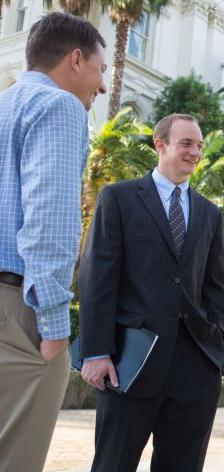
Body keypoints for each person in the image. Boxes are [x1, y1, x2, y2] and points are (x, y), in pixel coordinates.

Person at [78, 113, 224, 472]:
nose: (195, 152)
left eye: (199, 145)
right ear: (160, 145)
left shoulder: (210, 214)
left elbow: (216, 288)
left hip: (194, 367)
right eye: (186, 143)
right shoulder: (119, 198)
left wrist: (215, 351)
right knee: (113, 464)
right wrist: (96, 351)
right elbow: (98, 277)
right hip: (129, 363)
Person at [0, 13, 107, 472]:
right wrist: (53, 324)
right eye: (101, 70)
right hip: (19, 311)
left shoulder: (4, 105)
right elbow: (50, 219)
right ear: (76, 59)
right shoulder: (59, 107)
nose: (102, 87)